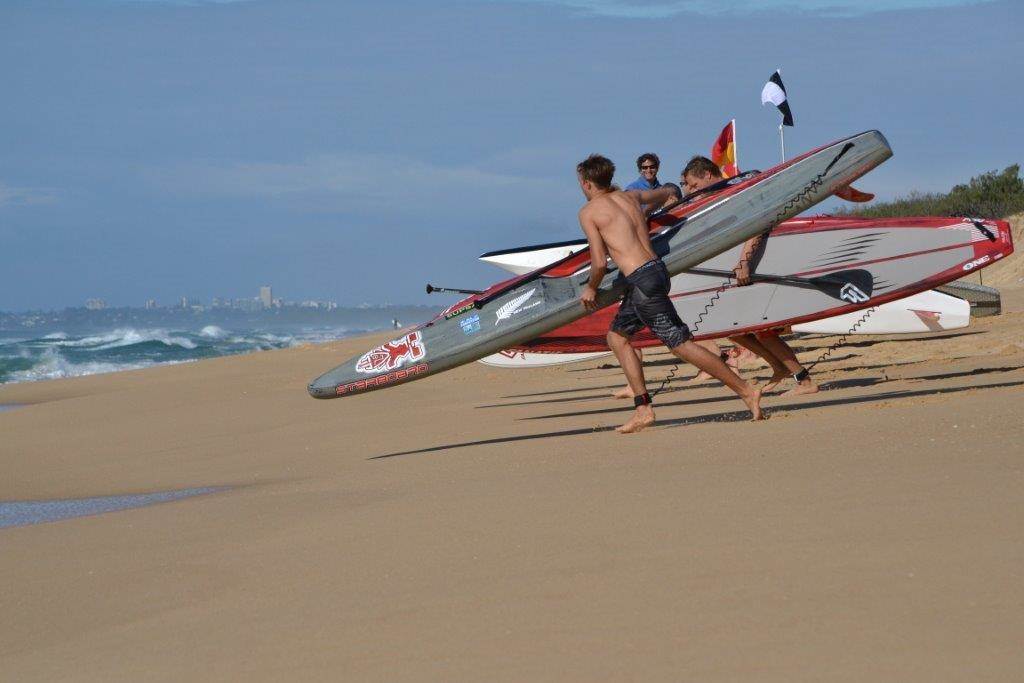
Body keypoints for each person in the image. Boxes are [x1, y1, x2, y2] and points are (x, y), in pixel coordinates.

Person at [576, 154, 763, 433]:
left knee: (680, 344)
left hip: (642, 281)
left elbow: (600, 263)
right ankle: (643, 408)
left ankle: (746, 390)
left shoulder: (589, 212)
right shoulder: (631, 197)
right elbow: (668, 192)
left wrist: (591, 288)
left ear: (586, 183)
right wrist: (659, 203)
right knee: (617, 338)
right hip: (656, 271)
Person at [681, 155, 818, 396]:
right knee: (732, 329)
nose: (692, 191)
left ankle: (804, 381)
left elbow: (758, 223)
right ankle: (779, 367)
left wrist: (744, 262)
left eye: (694, 185)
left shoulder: (735, 190)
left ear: (708, 175)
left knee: (762, 329)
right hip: (742, 268)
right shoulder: (719, 196)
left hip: (759, 263)